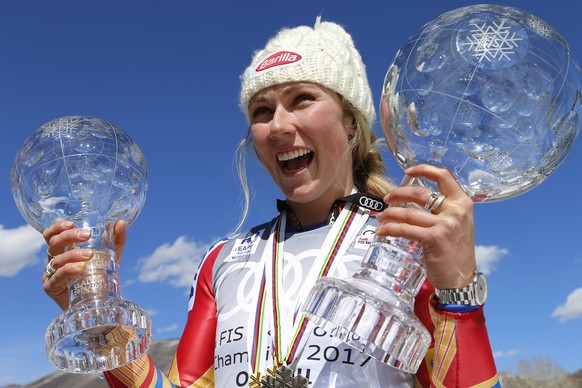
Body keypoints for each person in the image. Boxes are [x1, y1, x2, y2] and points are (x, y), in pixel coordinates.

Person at [42, 18, 500, 387]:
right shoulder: (222, 261)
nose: (278, 126)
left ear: (351, 124)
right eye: (262, 111)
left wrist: (458, 291)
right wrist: (97, 313)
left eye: (302, 99)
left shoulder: (409, 239)